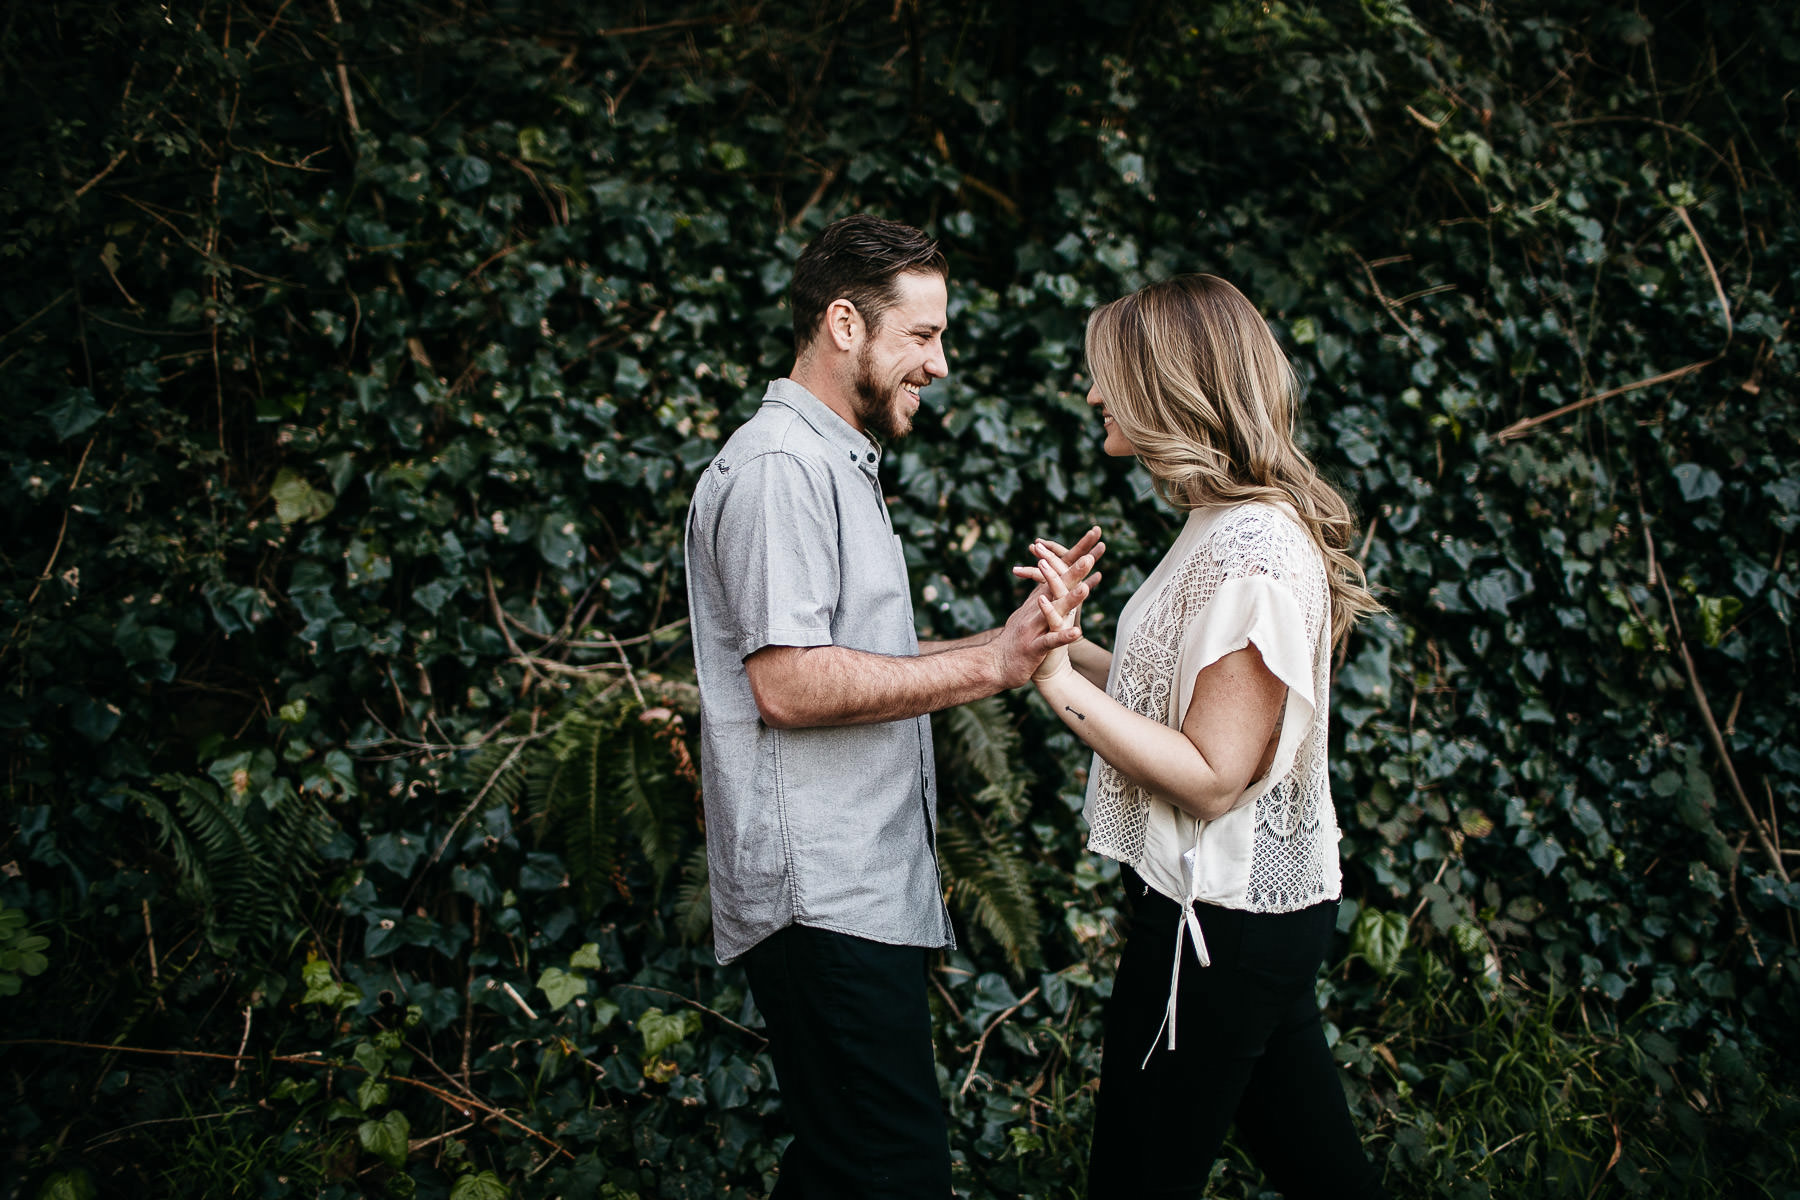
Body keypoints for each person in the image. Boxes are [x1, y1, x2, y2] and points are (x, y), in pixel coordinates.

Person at [683, 214, 1101, 1198]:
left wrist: (1013, 642)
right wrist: (991, 667)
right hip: (822, 893)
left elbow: (852, 660)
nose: (940, 364)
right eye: (922, 335)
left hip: (853, 890)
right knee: (890, 1169)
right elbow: (789, 683)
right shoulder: (784, 470)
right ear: (843, 324)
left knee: (847, 1169)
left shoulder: (831, 462)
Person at [1016, 274, 1389, 1199]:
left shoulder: (1251, 553)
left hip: (1217, 928)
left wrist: (1054, 682)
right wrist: (1065, 645)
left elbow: (1213, 773)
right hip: (1237, 920)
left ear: (1166, 384)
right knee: (1325, 1176)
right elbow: (1174, 700)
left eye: (1108, 375)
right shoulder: (1218, 527)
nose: (1095, 394)